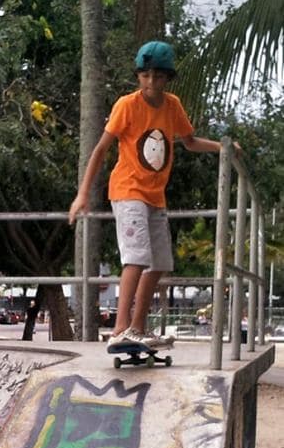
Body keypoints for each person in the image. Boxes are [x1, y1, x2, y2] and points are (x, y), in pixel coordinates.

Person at [69, 40, 236, 350]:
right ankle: (120, 330)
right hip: (128, 190)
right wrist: (82, 194)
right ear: (138, 76)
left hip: (155, 196)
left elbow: (190, 141)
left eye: (157, 77)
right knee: (136, 257)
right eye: (145, 76)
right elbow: (101, 149)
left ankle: (138, 328)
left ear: (167, 78)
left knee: (159, 262)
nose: (150, 83)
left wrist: (223, 148)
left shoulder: (172, 106)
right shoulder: (127, 105)